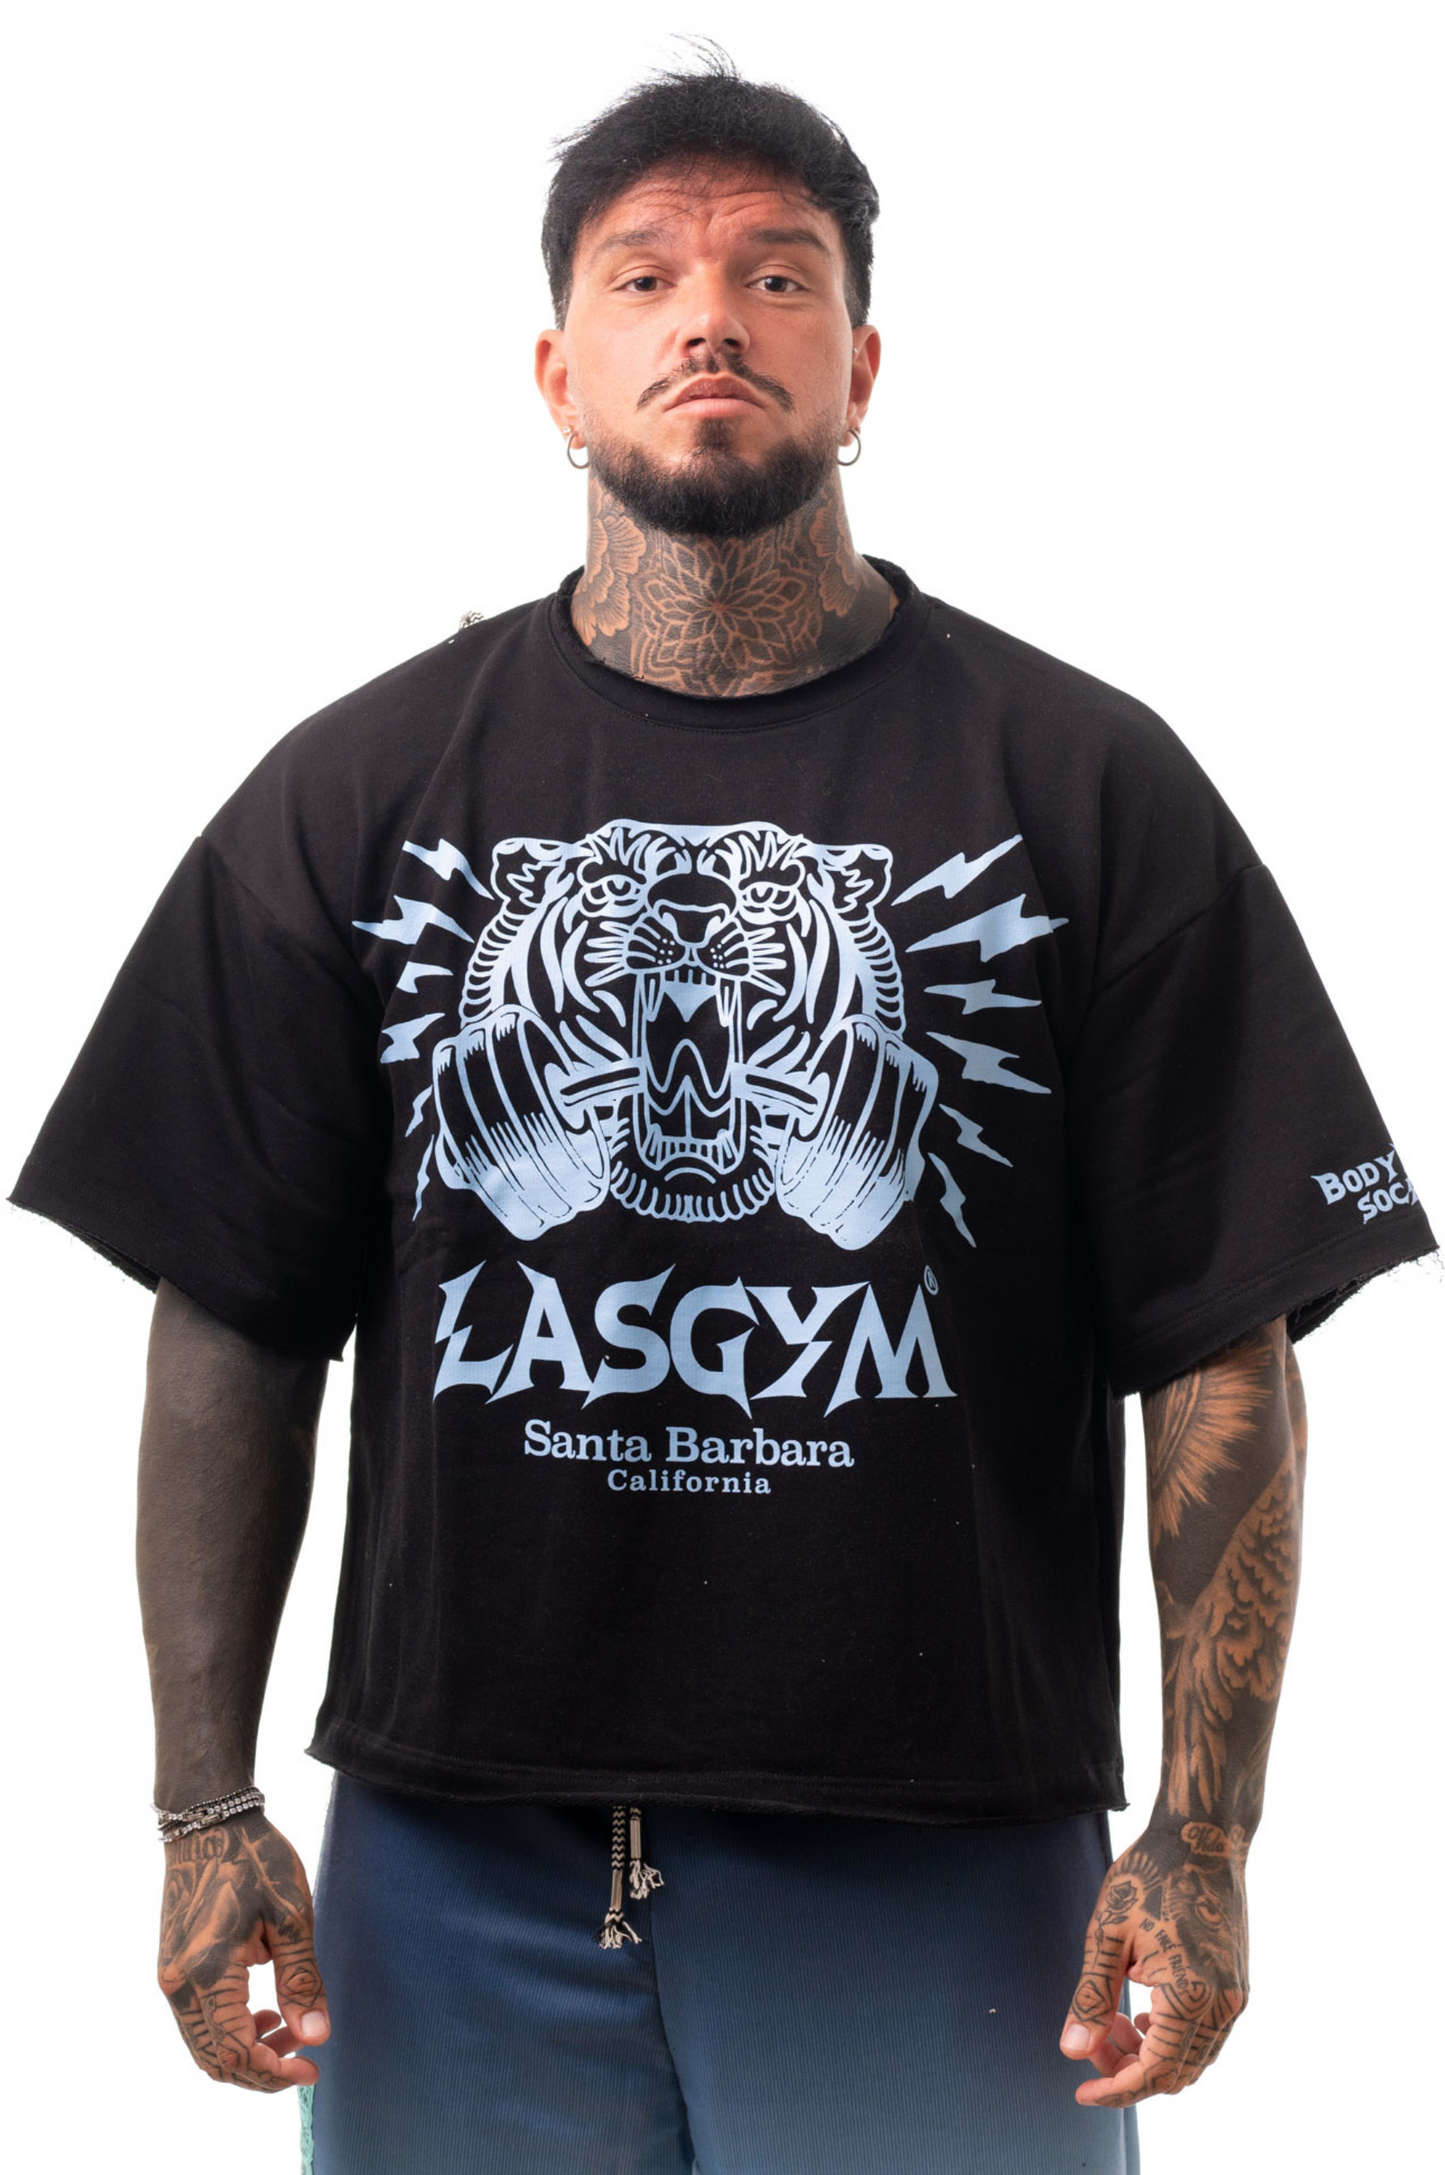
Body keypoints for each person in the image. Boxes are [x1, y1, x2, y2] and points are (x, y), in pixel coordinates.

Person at [10, 54, 1435, 2175]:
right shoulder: (358, 790)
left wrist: (1203, 1831)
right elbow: (228, 1306)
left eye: (777, 277)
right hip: (454, 1857)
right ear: (555, 372)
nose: (710, 320)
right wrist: (202, 1803)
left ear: (859, 368)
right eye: (644, 275)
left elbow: (1218, 1342)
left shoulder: (1084, 783)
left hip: (940, 1858)